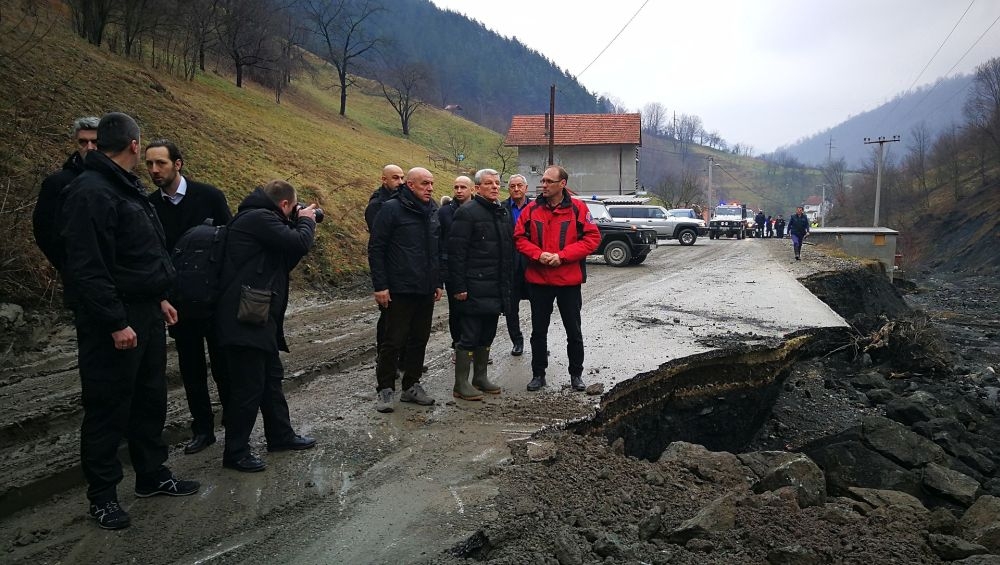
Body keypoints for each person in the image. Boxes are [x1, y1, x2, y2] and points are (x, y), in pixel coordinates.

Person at [59, 112, 199, 530]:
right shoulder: (92, 191)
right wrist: (116, 321)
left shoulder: (125, 187)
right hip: (113, 320)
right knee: (107, 408)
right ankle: (102, 497)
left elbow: (136, 252)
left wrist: (157, 297)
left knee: (148, 399)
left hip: (145, 312)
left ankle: (152, 475)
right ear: (135, 145)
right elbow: (87, 267)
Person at [214, 180, 318, 472]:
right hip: (245, 318)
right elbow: (298, 241)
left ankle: (280, 435)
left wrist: (299, 225)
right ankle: (235, 452)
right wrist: (307, 222)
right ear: (285, 204)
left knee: (271, 379)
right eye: (293, 209)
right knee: (248, 388)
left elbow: (283, 261)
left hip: (258, 316)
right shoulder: (258, 218)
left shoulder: (261, 220)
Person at [145, 140, 233, 455]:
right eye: (150, 164)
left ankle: (234, 427)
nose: (155, 170)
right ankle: (203, 429)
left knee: (224, 365)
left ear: (178, 164)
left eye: (161, 163)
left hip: (214, 300)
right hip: (178, 303)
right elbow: (151, 254)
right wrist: (162, 296)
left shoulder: (209, 196)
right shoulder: (148, 204)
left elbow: (230, 242)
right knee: (190, 368)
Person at [513, 166, 600, 392]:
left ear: (562, 184)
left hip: (568, 282)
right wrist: (537, 254)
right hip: (539, 281)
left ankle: (576, 375)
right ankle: (538, 374)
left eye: (549, 181)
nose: (544, 185)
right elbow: (519, 238)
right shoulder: (532, 209)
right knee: (538, 331)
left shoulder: (578, 209)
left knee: (574, 330)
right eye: (542, 180)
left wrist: (562, 256)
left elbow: (592, 239)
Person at [368, 167, 443, 413]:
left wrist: (437, 282)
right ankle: (385, 388)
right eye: (425, 184)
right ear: (410, 185)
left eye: (431, 184)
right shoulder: (391, 209)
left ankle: (411, 385)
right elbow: (376, 248)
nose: (430, 188)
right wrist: (380, 286)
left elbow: (436, 250)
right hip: (399, 288)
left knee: (419, 339)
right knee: (393, 340)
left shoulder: (432, 210)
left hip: (424, 288)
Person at [448, 169, 513, 400]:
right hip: (474, 287)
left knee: (488, 334)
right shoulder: (467, 213)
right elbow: (456, 253)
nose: (495, 187)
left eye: (497, 183)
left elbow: (508, 251)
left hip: (496, 287)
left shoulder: (502, 212)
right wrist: (459, 287)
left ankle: (480, 377)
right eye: (488, 183)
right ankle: (461, 384)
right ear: (477, 188)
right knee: (469, 336)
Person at [33, 116, 99, 271]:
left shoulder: (118, 180)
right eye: (83, 142)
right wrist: (68, 267)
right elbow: (44, 229)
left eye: (95, 141)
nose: (89, 147)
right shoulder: (58, 183)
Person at [439, 176, 473, 357]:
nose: (459, 190)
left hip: (475, 267)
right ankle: (458, 345)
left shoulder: (479, 210)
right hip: (451, 267)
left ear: (471, 189)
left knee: (474, 309)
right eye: (456, 187)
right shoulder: (444, 212)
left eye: (463, 187)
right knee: (456, 309)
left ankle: (474, 346)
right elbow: (440, 240)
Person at [501, 174, 530, 356]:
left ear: (526, 188)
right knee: (511, 309)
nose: (516, 189)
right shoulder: (501, 209)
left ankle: (539, 341)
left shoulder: (537, 207)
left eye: (520, 185)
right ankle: (517, 341)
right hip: (510, 267)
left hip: (532, 265)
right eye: (513, 186)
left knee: (540, 308)